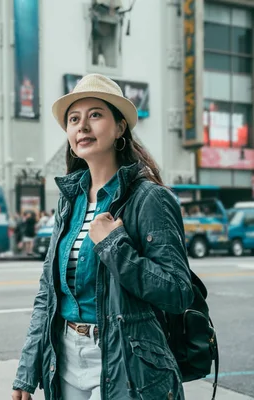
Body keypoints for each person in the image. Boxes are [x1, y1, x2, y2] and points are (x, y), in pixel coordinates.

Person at [11, 74, 193, 400]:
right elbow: (47, 295)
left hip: (126, 358)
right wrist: (27, 371)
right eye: (74, 119)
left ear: (120, 127)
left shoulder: (148, 198)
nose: (82, 126)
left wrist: (113, 245)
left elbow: (178, 292)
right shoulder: (71, 202)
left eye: (95, 114)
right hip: (64, 356)